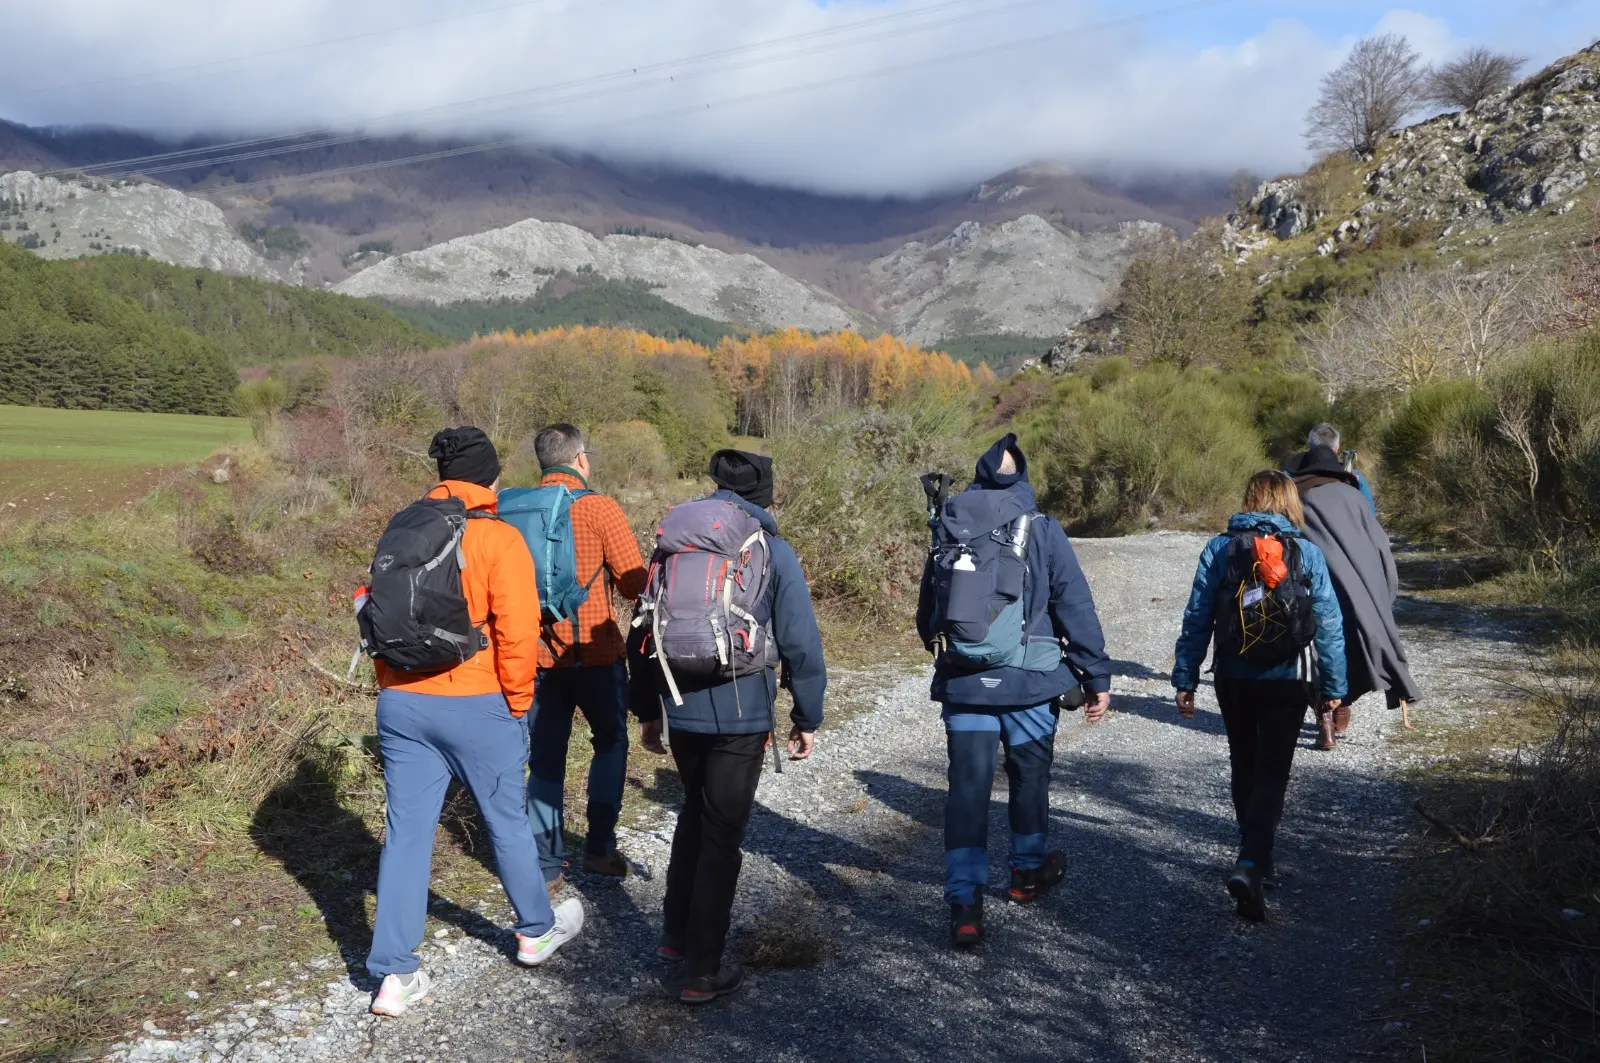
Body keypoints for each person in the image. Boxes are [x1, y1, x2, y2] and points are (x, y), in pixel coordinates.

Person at [366, 427, 584, 1018]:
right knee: (505, 820)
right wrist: (516, 703)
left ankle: (394, 976)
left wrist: (394, 686)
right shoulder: (497, 537)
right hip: (478, 700)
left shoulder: (403, 528)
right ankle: (535, 931)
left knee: (406, 835)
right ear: (492, 478)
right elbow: (517, 633)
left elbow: (377, 613)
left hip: (402, 702)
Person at [629, 448, 826, 1004]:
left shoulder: (675, 545)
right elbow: (801, 641)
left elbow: (641, 629)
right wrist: (807, 715)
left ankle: (675, 938)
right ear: (766, 495)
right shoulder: (772, 550)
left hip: (680, 703)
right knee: (722, 834)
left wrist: (647, 710)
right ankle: (702, 970)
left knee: (694, 814)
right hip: (743, 713)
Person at [915, 434, 1112, 949]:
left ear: (980, 474)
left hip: (965, 685)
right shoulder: (1042, 527)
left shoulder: (949, 523)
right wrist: (1095, 677)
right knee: (1029, 778)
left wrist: (955, 655)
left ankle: (965, 905)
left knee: (967, 790)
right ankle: (1026, 874)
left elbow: (928, 612)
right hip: (1030, 684)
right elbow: (1074, 604)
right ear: (1022, 478)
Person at [1172, 470, 1346, 922]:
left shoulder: (1221, 549)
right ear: (1290, 502)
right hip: (1288, 678)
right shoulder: (1306, 552)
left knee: (1244, 762)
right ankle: (1252, 862)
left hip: (1233, 676)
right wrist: (1333, 688)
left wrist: (1186, 677)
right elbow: (1329, 624)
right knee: (1272, 771)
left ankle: (1254, 856)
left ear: (1249, 499)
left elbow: (1198, 615)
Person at [522, 424, 649, 890]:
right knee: (611, 743)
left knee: (545, 759)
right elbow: (636, 585)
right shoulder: (599, 507)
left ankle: (545, 867)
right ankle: (599, 849)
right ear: (580, 459)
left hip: (537, 658)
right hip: (596, 655)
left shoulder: (514, 510)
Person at [1288, 442, 1421, 748]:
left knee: (1317, 648)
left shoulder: (1299, 498)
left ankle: (1325, 721)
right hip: (1356, 587)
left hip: (1315, 584)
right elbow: (1379, 544)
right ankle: (1341, 707)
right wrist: (1383, 590)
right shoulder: (1355, 496)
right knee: (1350, 647)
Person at [1285, 423, 1376, 514]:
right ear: (1337, 448)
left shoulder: (1290, 474)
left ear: (1310, 445)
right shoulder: (1354, 477)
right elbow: (1370, 513)